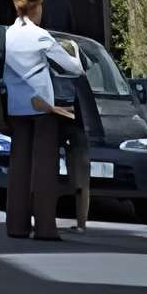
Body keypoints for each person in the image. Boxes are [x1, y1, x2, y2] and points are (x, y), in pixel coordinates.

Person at [2, 0, 83, 241]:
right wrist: (75, 52)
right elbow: (72, 68)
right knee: (44, 168)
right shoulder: (41, 36)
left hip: (17, 105)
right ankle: (45, 226)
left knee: (19, 167)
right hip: (43, 108)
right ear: (36, 8)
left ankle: (17, 225)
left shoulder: (7, 35)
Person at [52, 39, 104, 232]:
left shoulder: (54, 75)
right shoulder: (80, 75)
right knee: (81, 180)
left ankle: (47, 218)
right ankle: (81, 223)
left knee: (50, 174)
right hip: (79, 129)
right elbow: (89, 110)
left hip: (59, 126)